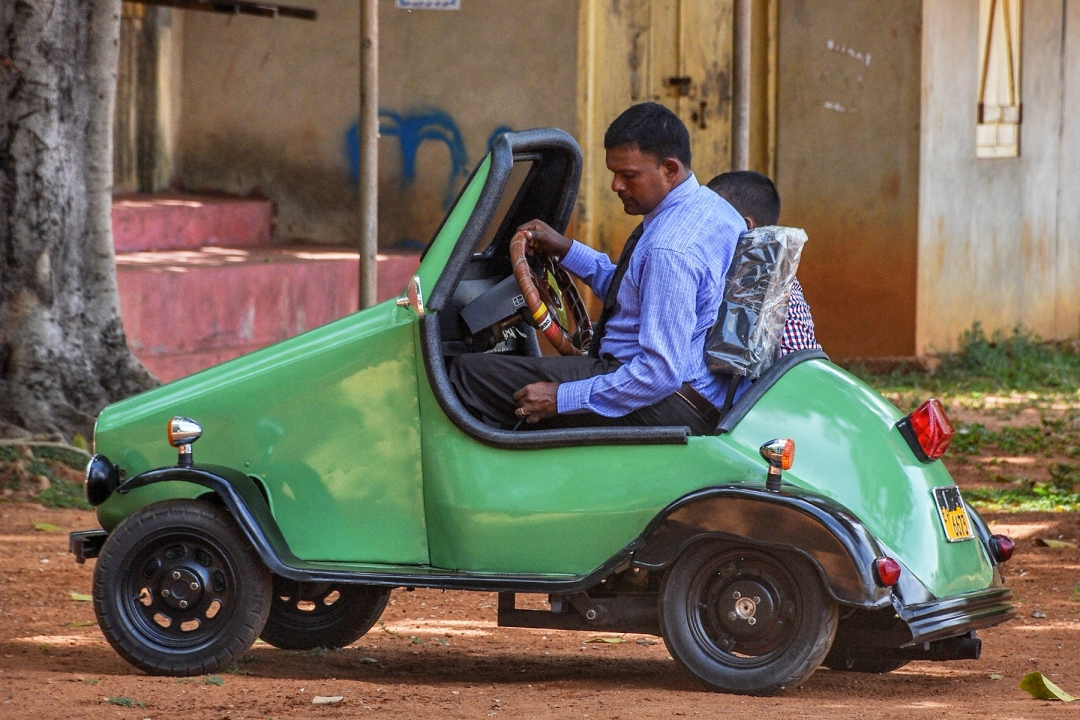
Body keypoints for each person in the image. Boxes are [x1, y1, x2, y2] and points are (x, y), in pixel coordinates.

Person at [448, 102, 746, 434]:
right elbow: (636, 293)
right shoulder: (713, 210)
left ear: (669, 169)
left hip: (668, 400)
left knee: (466, 373)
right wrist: (566, 250)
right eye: (613, 174)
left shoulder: (669, 249)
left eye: (628, 175)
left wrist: (561, 398)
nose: (616, 186)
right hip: (696, 391)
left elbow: (659, 373)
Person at [705, 171, 821, 356]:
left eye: (710, 217)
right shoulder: (746, 270)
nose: (701, 225)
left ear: (744, 225)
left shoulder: (764, 282)